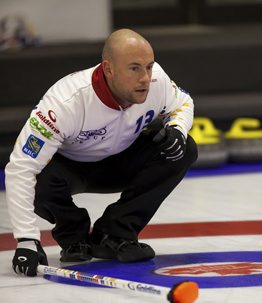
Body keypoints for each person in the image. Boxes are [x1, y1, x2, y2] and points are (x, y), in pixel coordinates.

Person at [6, 28, 198, 277]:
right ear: (108, 69)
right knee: (37, 178)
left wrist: (177, 128)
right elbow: (20, 167)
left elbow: (183, 102)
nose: (145, 78)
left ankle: (114, 233)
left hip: (122, 160)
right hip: (71, 169)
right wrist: (27, 240)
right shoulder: (64, 103)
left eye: (149, 66)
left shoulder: (157, 81)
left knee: (183, 149)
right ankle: (73, 234)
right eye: (134, 68)